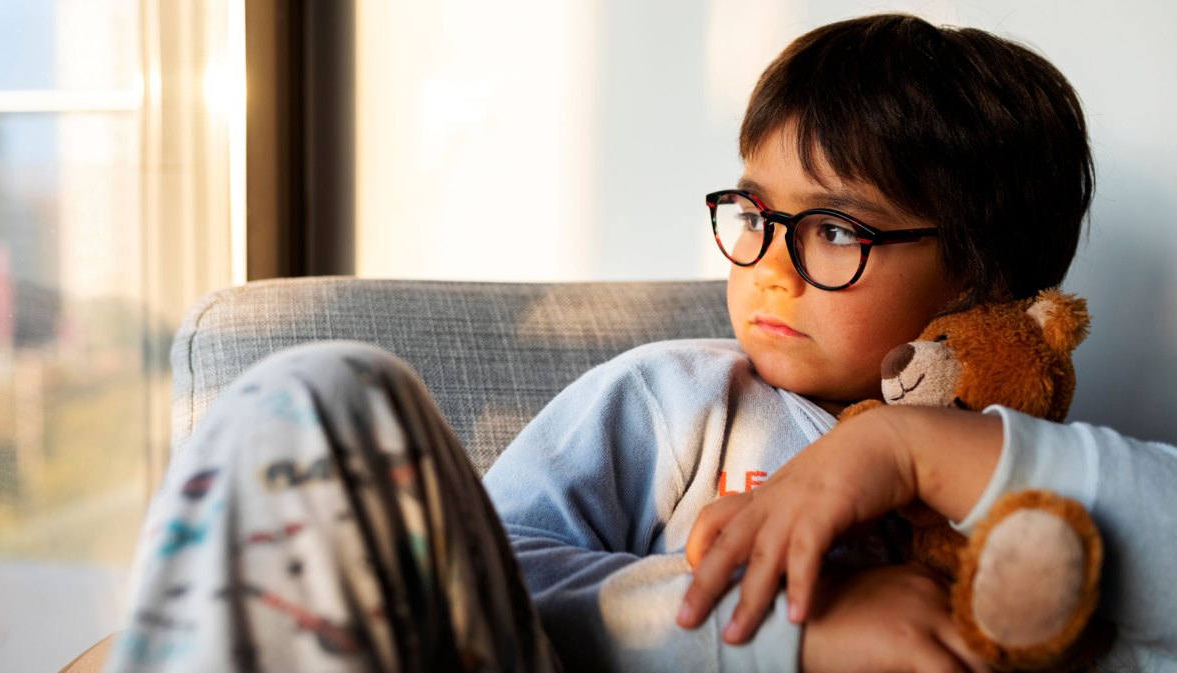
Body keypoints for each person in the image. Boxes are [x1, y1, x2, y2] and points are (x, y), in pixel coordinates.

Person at [104, 12, 1174, 673]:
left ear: (983, 278)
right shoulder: (677, 401)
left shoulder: (1026, 478)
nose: (768, 260)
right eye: (754, 211)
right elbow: (492, 584)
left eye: (837, 229)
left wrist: (904, 450)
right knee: (326, 389)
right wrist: (797, 636)